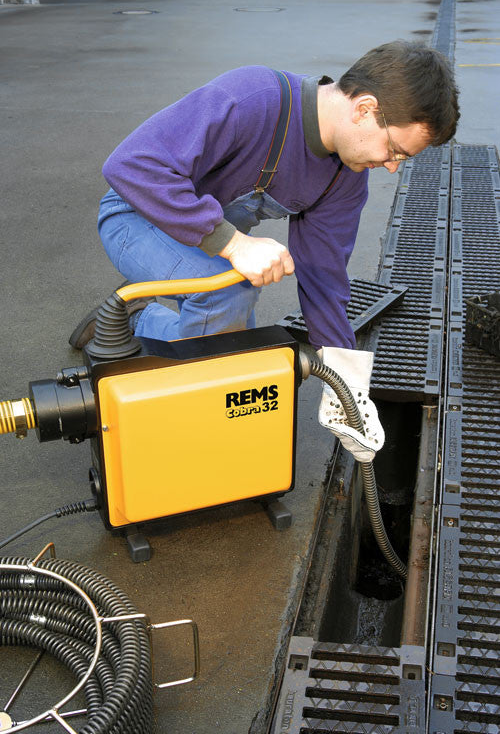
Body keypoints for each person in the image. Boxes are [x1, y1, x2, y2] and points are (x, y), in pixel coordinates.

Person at [71, 40, 459, 461]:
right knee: (226, 295)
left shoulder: (344, 176)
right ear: (365, 108)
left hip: (202, 245)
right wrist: (233, 243)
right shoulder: (253, 99)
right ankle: (186, 429)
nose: (392, 165)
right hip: (134, 217)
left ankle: (134, 320)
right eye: (395, 149)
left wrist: (345, 375)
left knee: (240, 352)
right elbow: (130, 165)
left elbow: (323, 274)